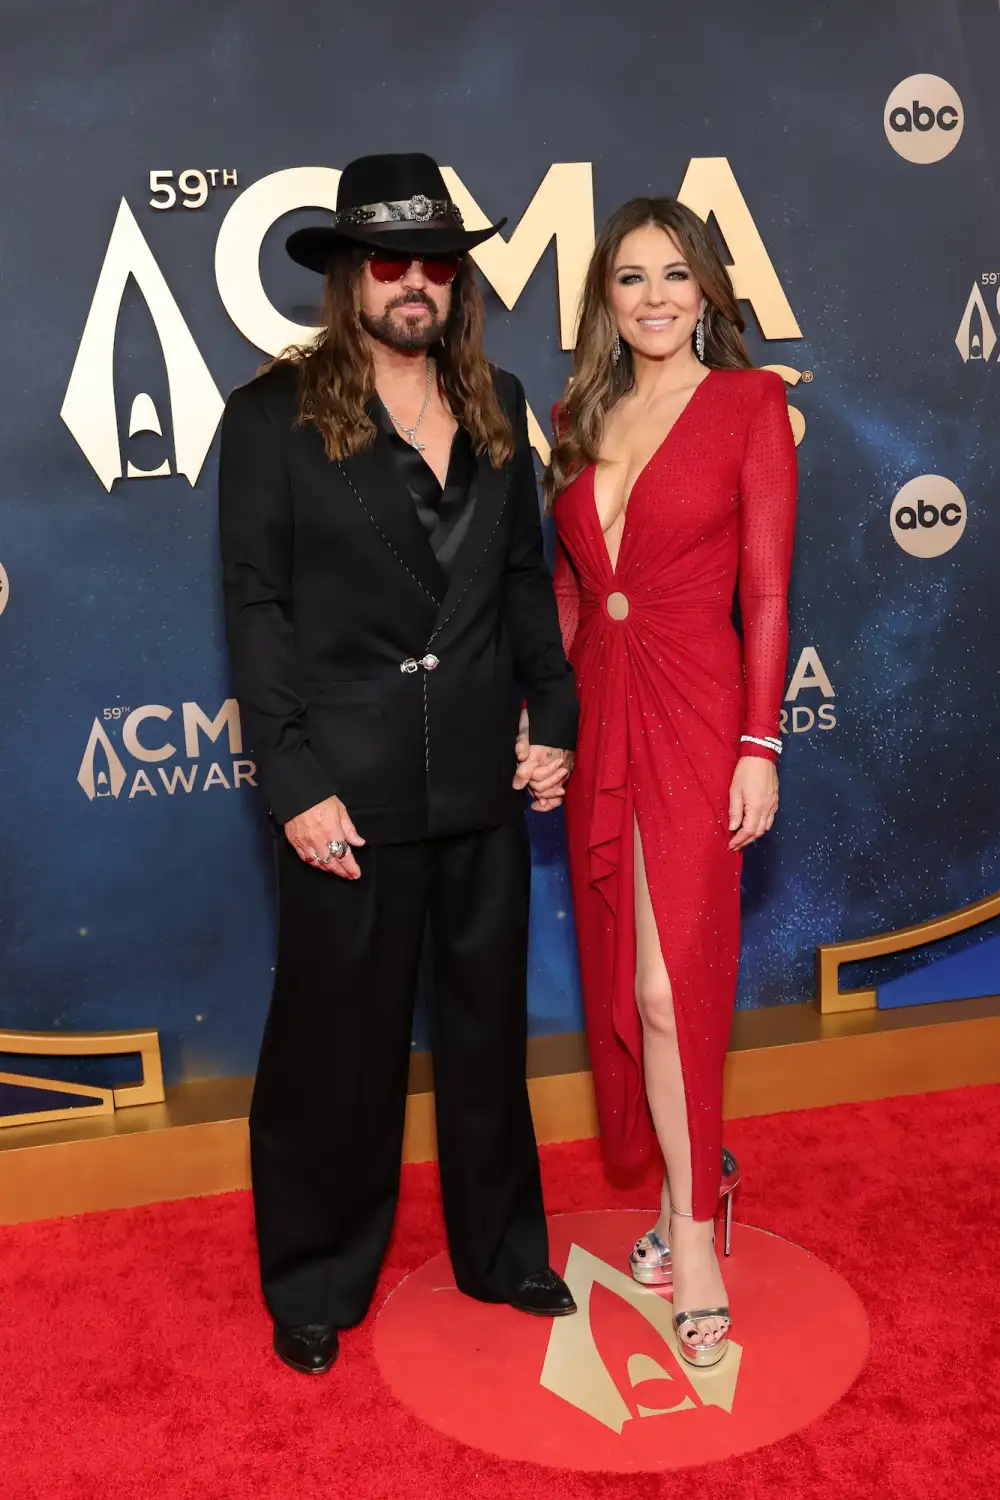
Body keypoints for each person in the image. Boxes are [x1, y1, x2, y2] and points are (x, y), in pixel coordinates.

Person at [218, 153, 579, 1376]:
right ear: (347, 276)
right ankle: (314, 1276)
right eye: (389, 260)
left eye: (436, 260)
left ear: (457, 277)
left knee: (485, 1036)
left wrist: (555, 715)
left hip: (480, 775)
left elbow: (525, 583)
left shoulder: (498, 402)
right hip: (348, 794)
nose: (414, 282)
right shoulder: (270, 418)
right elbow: (255, 610)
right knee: (338, 1048)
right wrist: (293, 781)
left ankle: (503, 1251)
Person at [544, 198, 797, 1368]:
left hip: (698, 709)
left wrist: (761, 743)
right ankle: (675, 1201)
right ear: (605, 297)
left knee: (665, 983)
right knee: (621, 977)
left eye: (675, 276)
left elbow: (769, 594)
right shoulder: (579, 414)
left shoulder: (751, 406)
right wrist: (546, 727)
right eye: (631, 278)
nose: (653, 298)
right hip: (601, 707)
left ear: (708, 291)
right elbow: (566, 594)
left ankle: (693, 1235)